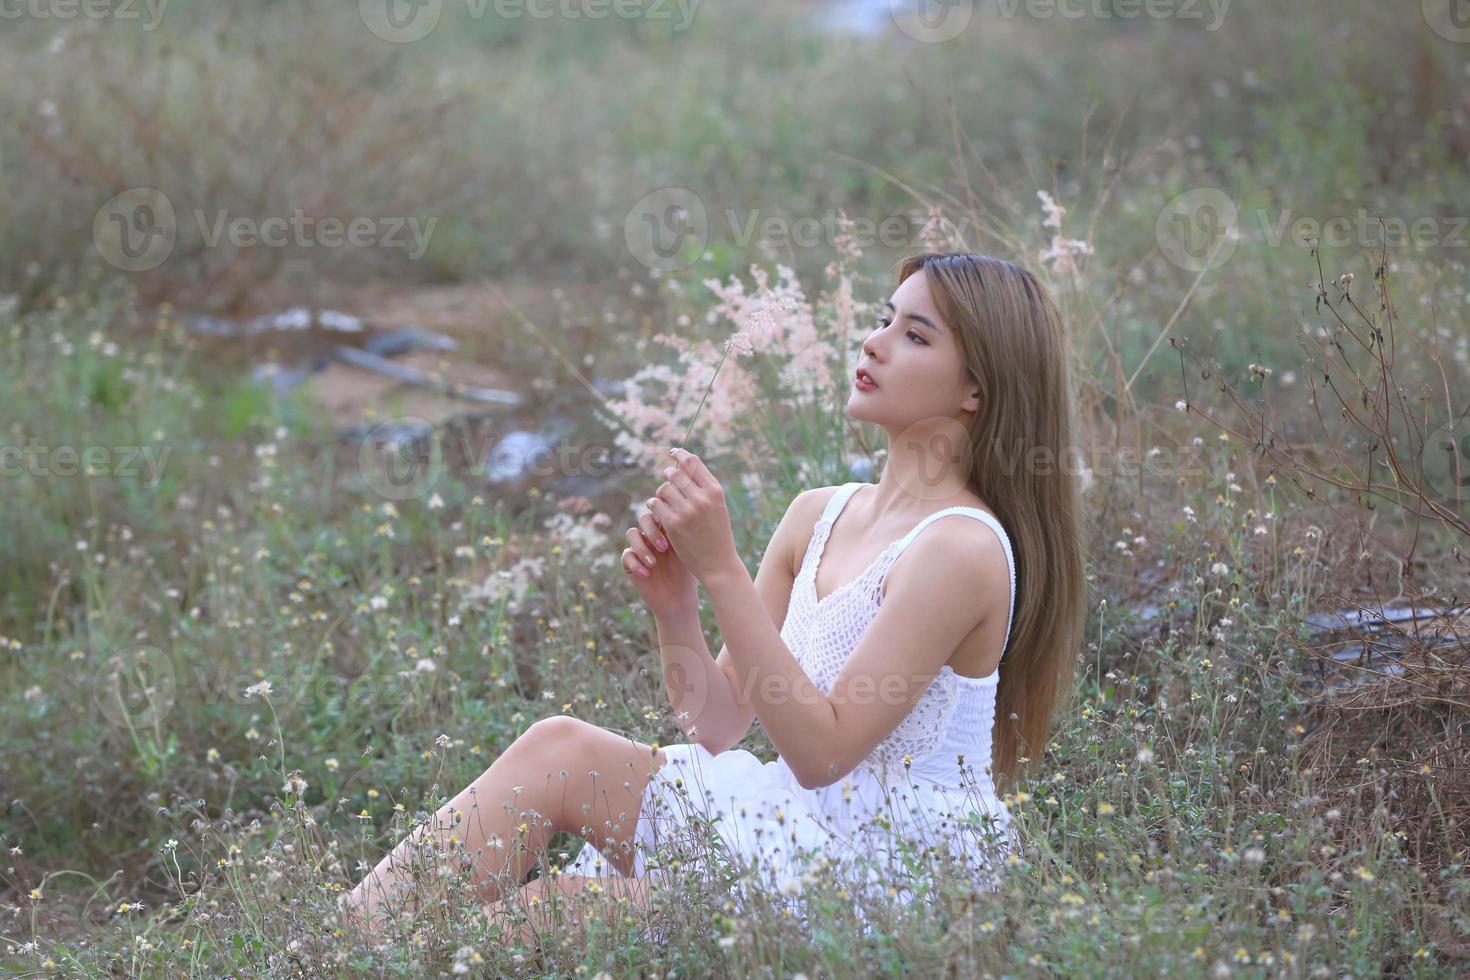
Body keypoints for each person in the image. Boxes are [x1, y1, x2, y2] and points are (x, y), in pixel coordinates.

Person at [342, 251, 1089, 946]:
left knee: (557, 906)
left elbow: (824, 754)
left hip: (890, 873)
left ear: (975, 389)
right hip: (793, 824)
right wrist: (676, 608)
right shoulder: (819, 514)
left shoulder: (959, 547)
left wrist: (725, 571)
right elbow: (719, 720)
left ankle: (379, 960)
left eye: (915, 335)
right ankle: (328, 949)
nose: (874, 343)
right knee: (559, 747)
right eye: (882, 318)